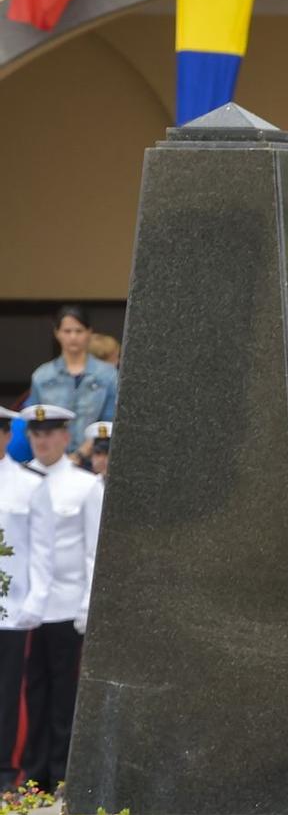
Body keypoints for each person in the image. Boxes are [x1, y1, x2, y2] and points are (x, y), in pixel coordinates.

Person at [20, 405, 99, 789]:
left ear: (66, 437)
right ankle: (33, 773)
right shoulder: (21, 482)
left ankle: (62, 772)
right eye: (36, 434)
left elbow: (91, 551)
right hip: (25, 609)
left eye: (50, 433)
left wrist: (87, 604)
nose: (42, 441)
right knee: (33, 692)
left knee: (64, 695)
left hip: (67, 605)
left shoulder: (84, 486)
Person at [0, 411, 38, 786]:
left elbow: (41, 548)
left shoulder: (29, 484)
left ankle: (5, 770)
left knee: (8, 692)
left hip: (12, 606)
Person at [28, 307, 117, 452]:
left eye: (79, 331)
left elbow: (110, 421)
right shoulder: (42, 375)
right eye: (67, 331)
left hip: (95, 458)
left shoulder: (108, 374)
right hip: (53, 457)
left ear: (89, 332)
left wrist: (81, 455)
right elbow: (34, 422)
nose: (73, 337)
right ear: (57, 333)